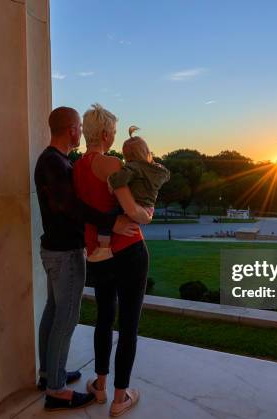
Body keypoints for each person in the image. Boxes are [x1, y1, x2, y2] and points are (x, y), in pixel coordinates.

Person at [34, 106, 139, 412]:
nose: (80, 131)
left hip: (58, 249)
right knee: (65, 320)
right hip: (64, 253)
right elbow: (69, 207)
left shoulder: (62, 162)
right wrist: (112, 222)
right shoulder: (54, 162)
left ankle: (48, 374)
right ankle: (55, 390)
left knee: (53, 313)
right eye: (78, 127)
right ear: (71, 130)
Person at [73, 104, 152, 417]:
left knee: (104, 319)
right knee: (129, 324)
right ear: (105, 134)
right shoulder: (112, 164)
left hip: (98, 255)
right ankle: (121, 398)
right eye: (114, 133)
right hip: (129, 251)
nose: (115, 137)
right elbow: (132, 210)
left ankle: (101, 387)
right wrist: (145, 215)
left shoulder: (76, 166)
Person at [88, 125, 170, 262]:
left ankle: (104, 247)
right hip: (148, 207)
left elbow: (120, 178)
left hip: (136, 204)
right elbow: (166, 175)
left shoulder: (133, 168)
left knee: (107, 217)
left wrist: (110, 182)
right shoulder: (159, 170)